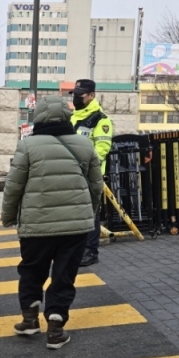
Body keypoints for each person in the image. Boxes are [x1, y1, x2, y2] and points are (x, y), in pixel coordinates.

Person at [2, 95, 103, 349]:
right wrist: (87, 213)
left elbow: (13, 186)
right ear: (67, 116)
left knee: (31, 270)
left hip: (37, 226)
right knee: (64, 274)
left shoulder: (27, 146)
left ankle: (29, 320)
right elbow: (96, 186)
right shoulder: (84, 144)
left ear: (38, 117)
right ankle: (56, 329)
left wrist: (9, 216)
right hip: (75, 227)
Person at [70, 79, 113, 266]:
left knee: (90, 214)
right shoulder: (72, 117)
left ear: (92, 95)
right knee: (75, 214)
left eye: (80, 94)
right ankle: (77, 250)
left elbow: (102, 150)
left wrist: (84, 166)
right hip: (71, 174)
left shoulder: (101, 120)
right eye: (75, 94)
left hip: (90, 175)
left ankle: (90, 252)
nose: (76, 97)